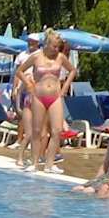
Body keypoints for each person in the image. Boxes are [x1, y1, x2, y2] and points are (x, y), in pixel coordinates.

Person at [26, 31, 74, 173]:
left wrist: (65, 88)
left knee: (57, 130)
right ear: (46, 44)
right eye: (54, 46)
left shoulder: (60, 57)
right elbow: (20, 71)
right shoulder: (36, 56)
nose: (56, 49)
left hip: (55, 96)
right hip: (39, 96)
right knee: (36, 131)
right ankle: (34, 163)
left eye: (58, 46)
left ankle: (49, 164)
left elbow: (72, 70)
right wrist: (29, 85)